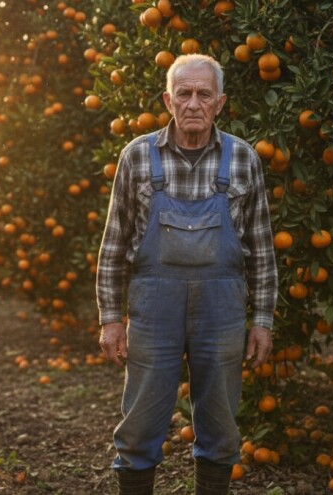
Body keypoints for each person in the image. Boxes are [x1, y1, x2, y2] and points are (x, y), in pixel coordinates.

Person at [96, 54, 278, 494]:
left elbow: (261, 249)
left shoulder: (243, 158)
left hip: (221, 311)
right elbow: (114, 245)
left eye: (204, 94)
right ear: (168, 100)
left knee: (219, 423)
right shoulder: (137, 156)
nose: (193, 103)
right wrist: (110, 318)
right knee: (140, 424)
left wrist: (262, 320)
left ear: (220, 103)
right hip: (153, 310)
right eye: (184, 93)